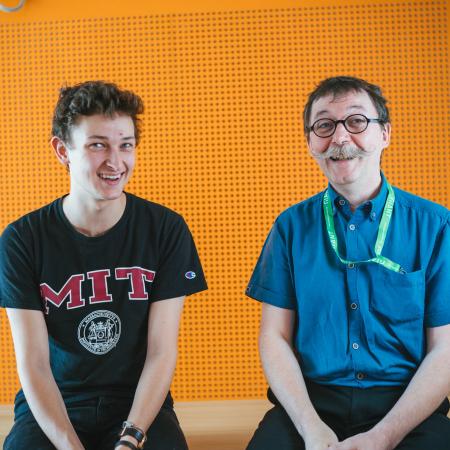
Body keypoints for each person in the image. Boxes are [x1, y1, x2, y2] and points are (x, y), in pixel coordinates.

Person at [245, 76, 450, 450]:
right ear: (310, 142)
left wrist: (385, 436)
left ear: (385, 134)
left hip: (407, 406)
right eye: (324, 125)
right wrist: (310, 427)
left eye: (356, 122)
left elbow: (445, 348)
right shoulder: (290, 227)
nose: (340, 138)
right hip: (311, 405)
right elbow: (274, 337)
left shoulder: (436, 226)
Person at [0, 81, 207, 450]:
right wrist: (68, 445)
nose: (115, 161)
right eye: (98, 145)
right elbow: (33, 363)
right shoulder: (21, 239)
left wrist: (131, 438)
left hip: (139, 405)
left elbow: (161, 351)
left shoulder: (165, 229)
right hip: (54, 405)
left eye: (125, 145)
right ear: (62, 150)